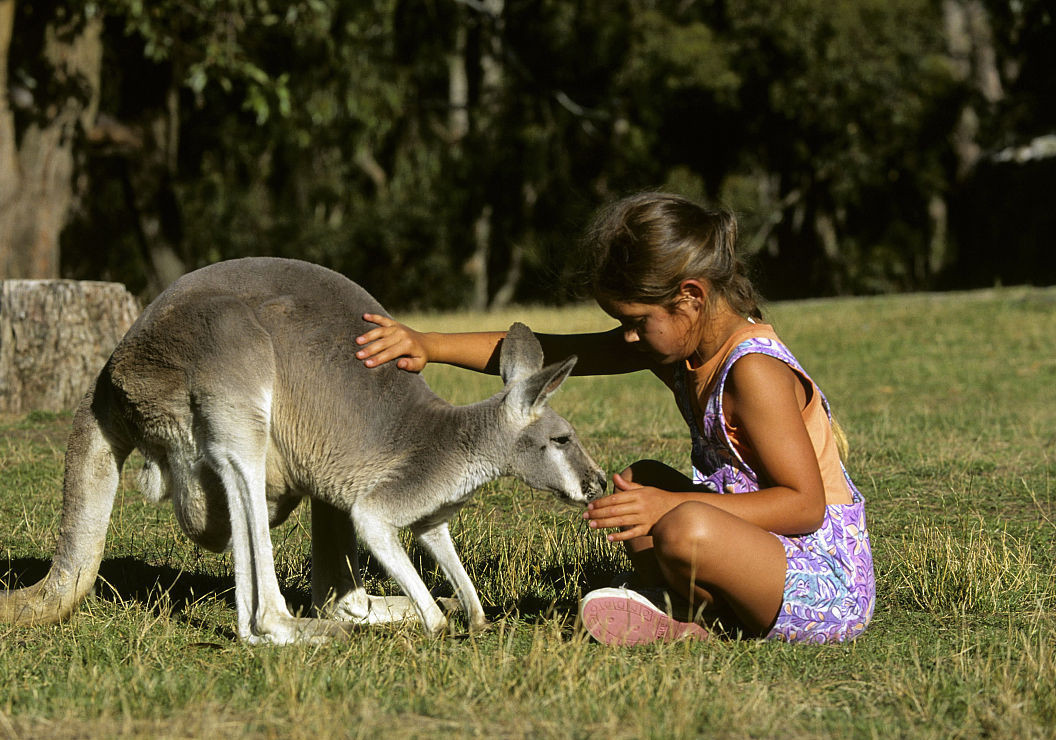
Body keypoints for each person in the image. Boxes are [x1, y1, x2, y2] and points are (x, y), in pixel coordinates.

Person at [354, 191, 874, 645]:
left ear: (689, 297)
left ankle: (692, 617)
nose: (627, 337)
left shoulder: (754, 371)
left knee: (682, 526)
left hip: (823, 585)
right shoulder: (679, 343)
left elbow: (804, 507)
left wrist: (671, 505)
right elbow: (547, 349)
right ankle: (691, 615)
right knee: (640, 484)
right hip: (766, 551)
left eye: (635, 322)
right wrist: (427, 344)